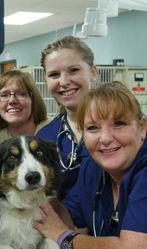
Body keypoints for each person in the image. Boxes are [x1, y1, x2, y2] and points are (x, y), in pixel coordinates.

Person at [34, 82, 147, 249]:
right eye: (93, 128)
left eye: (118, 124)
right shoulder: (92, 167)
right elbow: (71, 223)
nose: (105, 138)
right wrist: (44, 189)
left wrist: (64, 237)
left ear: (143, 128)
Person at [36, 36, 98, 200]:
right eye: (54, 74)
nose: (64, 82)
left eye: (73, 70)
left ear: (93, 72)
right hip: (63, 223)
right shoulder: (44, 138)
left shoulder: (126, 126)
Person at [0, 69, 50, 148]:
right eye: (4, 95)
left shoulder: (54, 129)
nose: (12, 100)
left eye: (21, 94)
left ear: (34, 99)